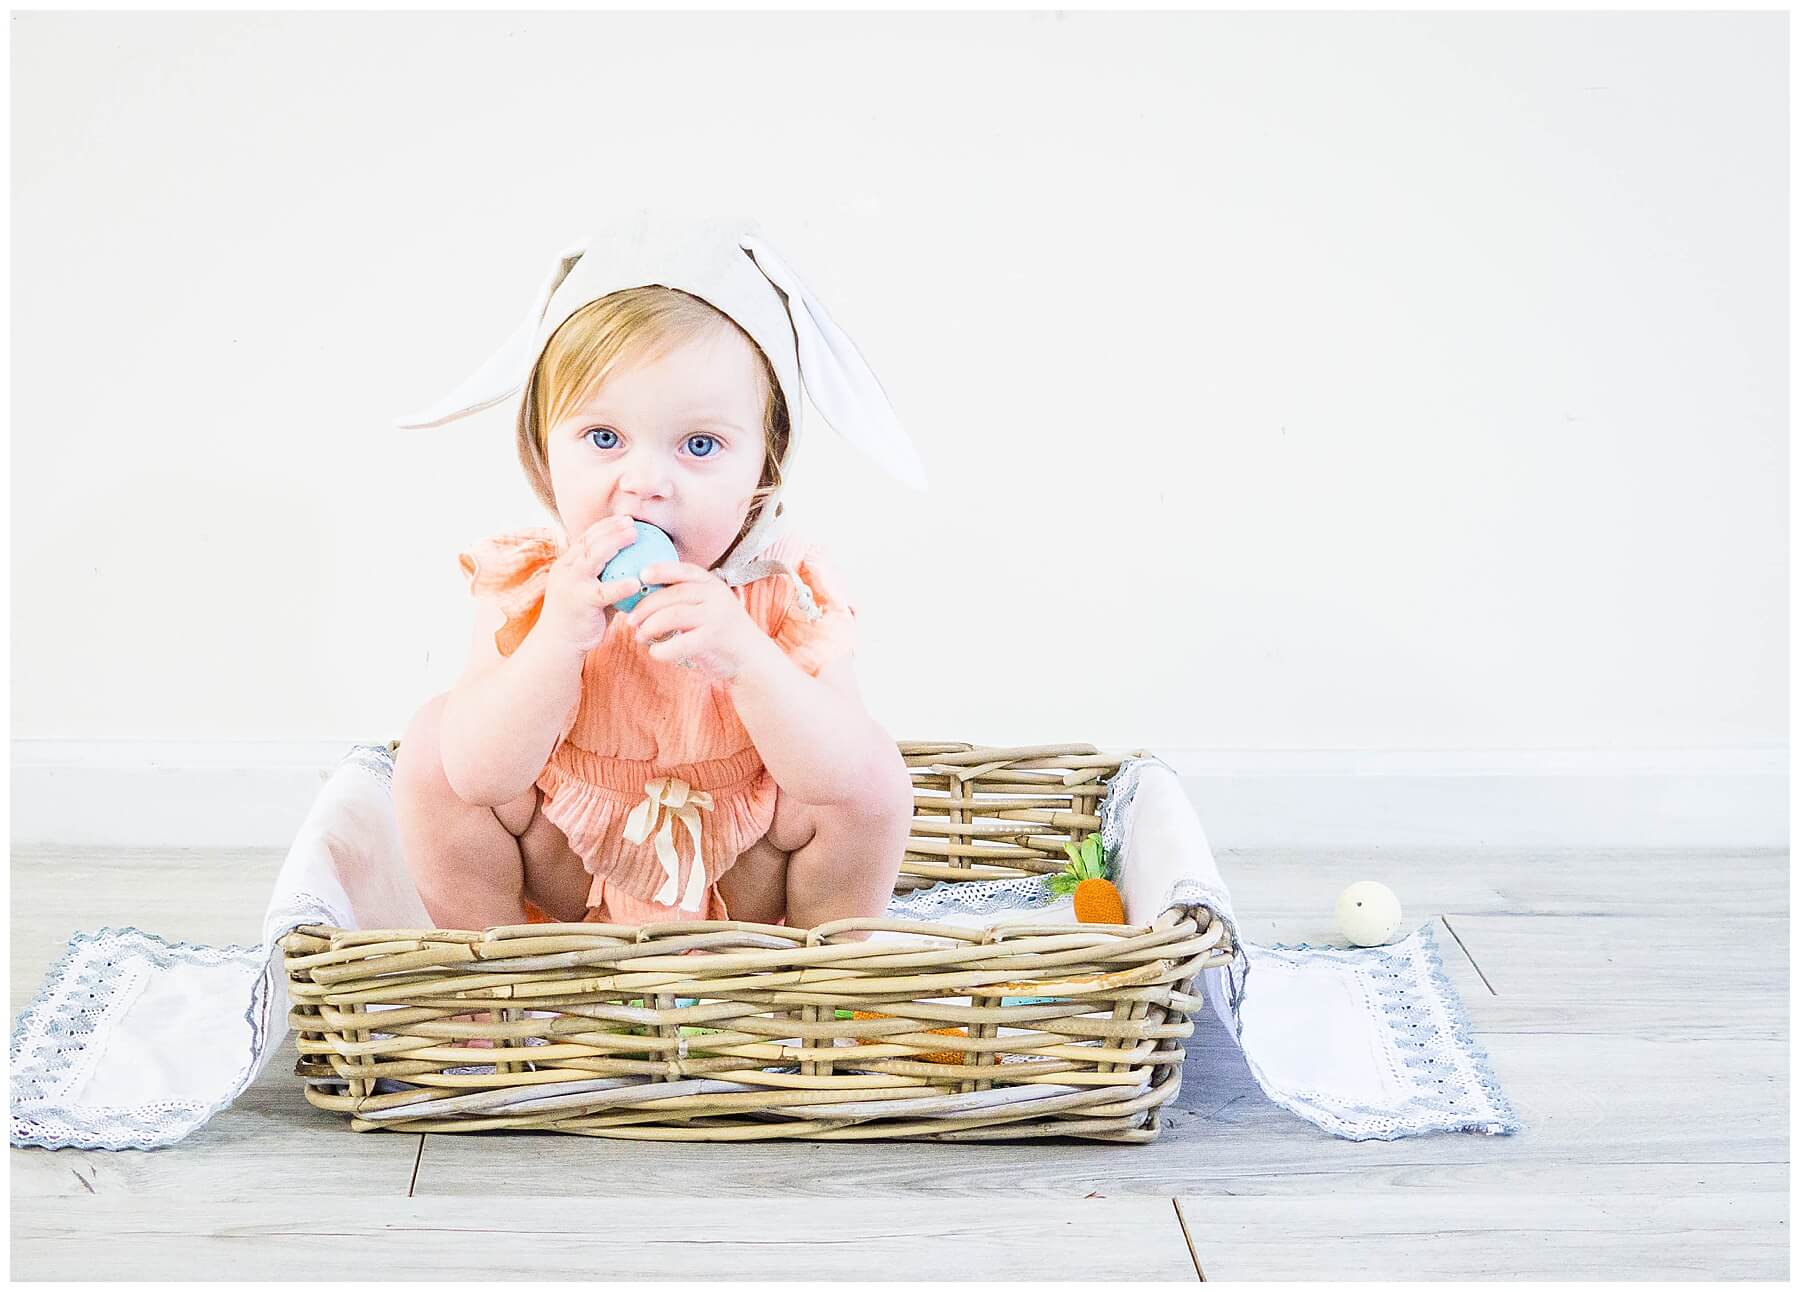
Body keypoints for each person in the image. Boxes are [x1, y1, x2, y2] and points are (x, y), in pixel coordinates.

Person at [389, 210, 928, 943]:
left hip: (741, 868)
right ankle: (494, 984)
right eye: (604, 438)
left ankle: (825, 986)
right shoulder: (531, 584)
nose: (645, 484)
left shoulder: (785, 587)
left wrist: (746, 658)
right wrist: (558, 643)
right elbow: (481, 775)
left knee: (874, 778)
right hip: (569, 863)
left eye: (699, 445)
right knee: (432, 750)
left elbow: (836, 777)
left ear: (762, 466)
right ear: (543, 452)